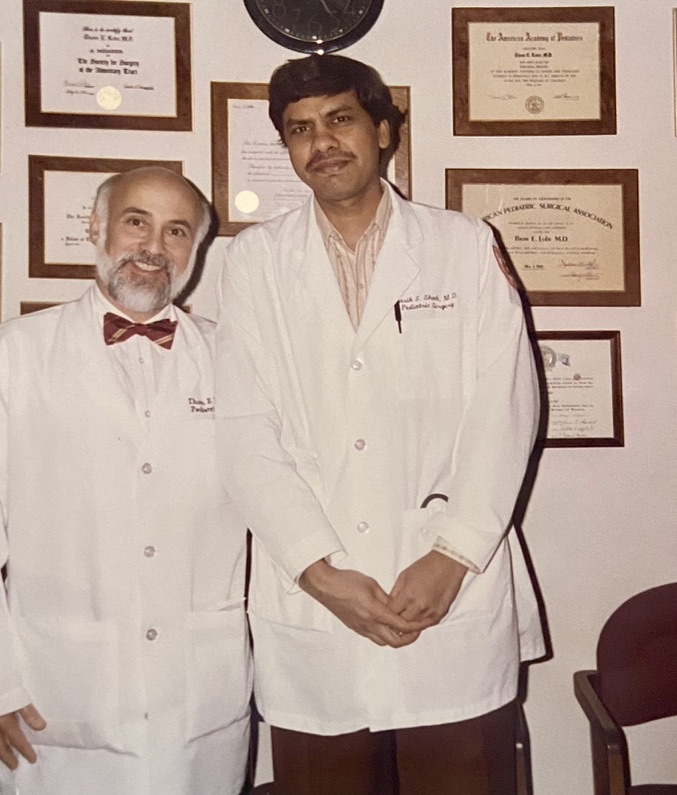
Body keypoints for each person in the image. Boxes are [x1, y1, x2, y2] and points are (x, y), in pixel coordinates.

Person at [214, 54, 543, 794]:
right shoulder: (255, 260)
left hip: (447, 581)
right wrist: (316, 569)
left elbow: (505, 408)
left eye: (340, 120)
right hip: (315, 595)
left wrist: (454, 554)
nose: (321, 143)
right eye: (300, 129)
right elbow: (242, 428)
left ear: (385, 131)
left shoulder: (462, 245)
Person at [0, 167, 252, 795]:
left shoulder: (233, 358)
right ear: (96, 228)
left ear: (197, 250)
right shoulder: (15, 352)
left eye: (177, 231)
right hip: (52, 698)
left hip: (196, 698)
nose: (154, 247)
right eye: (136, 222)